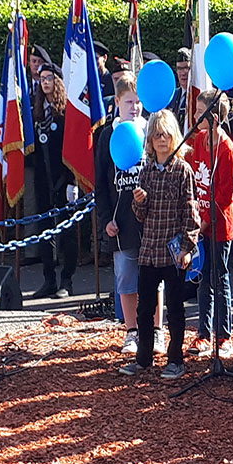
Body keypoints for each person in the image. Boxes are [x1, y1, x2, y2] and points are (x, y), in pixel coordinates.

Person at [119, 110, 199, 379]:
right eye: (156, 135)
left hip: (173, 252)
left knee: (175, 307)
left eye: (166, 134)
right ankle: (144, 358)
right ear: (150, 140)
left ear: (174, 136)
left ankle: (175, 359)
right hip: (149, 249)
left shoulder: (183, 170)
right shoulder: (146, 172)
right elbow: (140, 216)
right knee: (145, 308)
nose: (162, 139)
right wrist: (139, 201)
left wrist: (187, 247)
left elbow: (191, 212)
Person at [95, 77, 163, 355]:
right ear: (117, 103)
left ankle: (157, 330)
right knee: (125, 277)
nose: (134, 107)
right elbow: (101, 182)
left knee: (154, 277)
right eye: (128, 102)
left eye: (138, 102)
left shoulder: (152, 132)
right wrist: (104, 221)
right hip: (121, 220)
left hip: (152, 219)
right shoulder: (107, 136)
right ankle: (132, 331)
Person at [189, 89, 233, 359]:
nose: (196, 116)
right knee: (202, 279)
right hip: (201, 221)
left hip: (219, 226)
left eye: (201, 113)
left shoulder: (227, 150)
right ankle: (203, 334)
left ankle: (225, 335)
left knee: (219, 278)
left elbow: (224, 193)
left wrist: (206, 223)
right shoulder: (199, 141)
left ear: (215, 117)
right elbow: (196, 175)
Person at [30, 63, 79, 299]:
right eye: (42, 79)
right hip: (43, 181)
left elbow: (73, 150)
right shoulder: (37, 112)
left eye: (49, 78)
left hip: (64, 179)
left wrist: (72, 181)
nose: (45, 82)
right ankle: (48, 279)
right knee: (45, 231)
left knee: (67, 232)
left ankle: (66, 281)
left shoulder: (67, 112)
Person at [166, 47, 192, 126]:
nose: (183, 73)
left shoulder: (199, 94)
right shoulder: (172, 96)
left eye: (187, 68)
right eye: (180, 68)